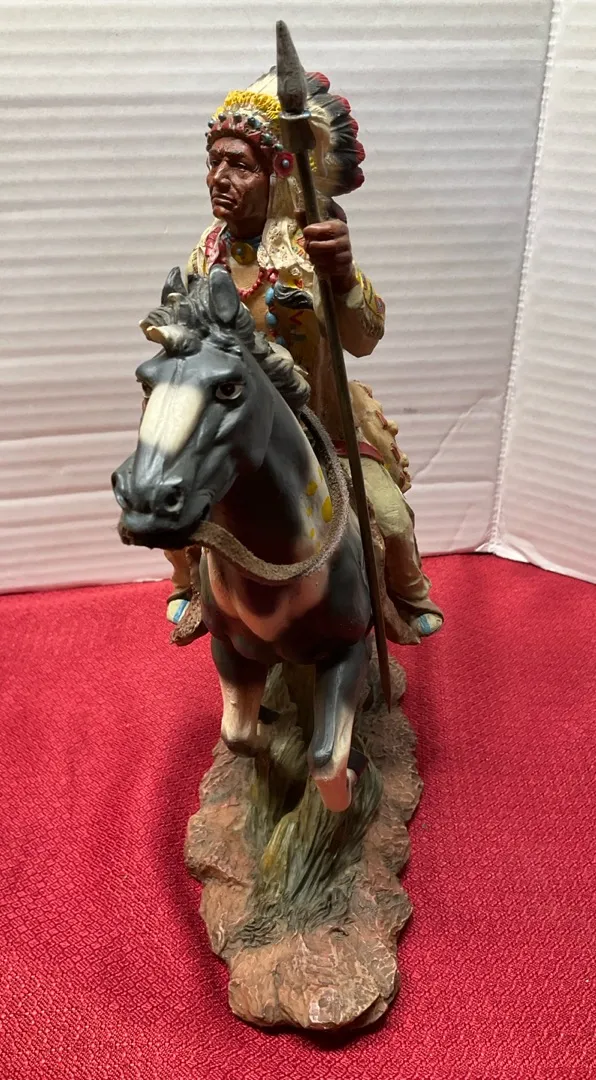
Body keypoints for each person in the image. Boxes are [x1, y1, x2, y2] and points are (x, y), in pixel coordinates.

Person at [160, 68, 443, 642]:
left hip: (323, 425)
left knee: (387, 516)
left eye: (239, 165)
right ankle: (191, 586)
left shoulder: (313, 250)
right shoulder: (205, 256)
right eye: (213, 162)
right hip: (235, 425)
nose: (219, 178)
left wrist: (342, 277)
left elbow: (364, 338)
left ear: (277, 173)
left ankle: (406, 593)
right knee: (174, 497)